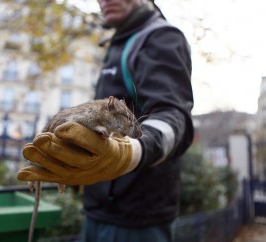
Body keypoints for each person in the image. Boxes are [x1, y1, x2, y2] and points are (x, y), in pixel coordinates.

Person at [17, 0, 194, 241]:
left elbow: (173, 118)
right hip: (96, 209)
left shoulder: (160, 38)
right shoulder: (117, 42)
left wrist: (131, 153)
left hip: (138, 218)